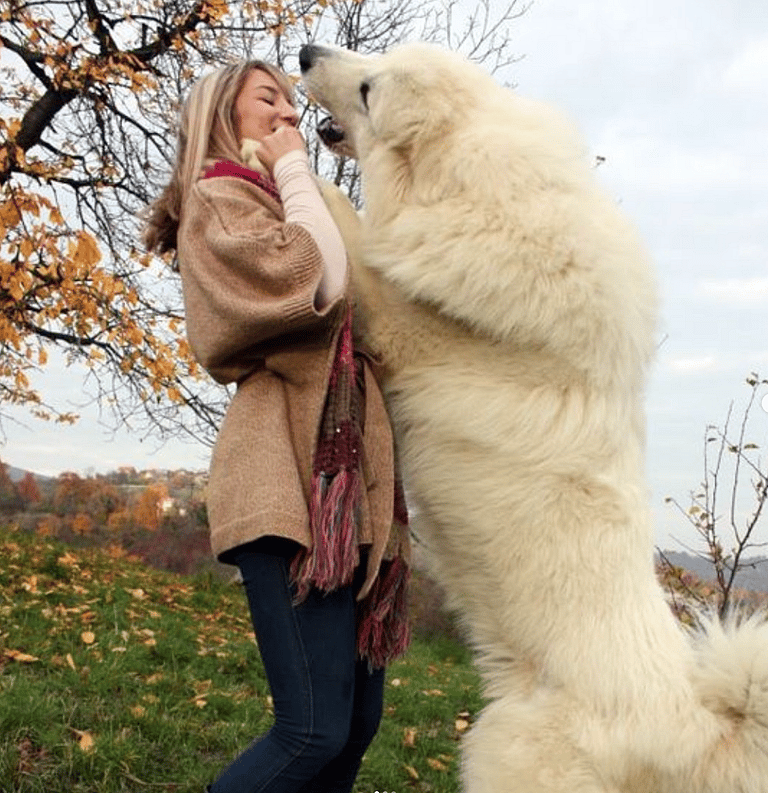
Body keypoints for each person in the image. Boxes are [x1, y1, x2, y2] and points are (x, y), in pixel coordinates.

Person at [142, 59, 411, 793]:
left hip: (347, 499)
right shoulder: (221, 200)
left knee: (354, 727)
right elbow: (317, 282)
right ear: (222, 116)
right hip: (288, 491)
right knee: (312, 728)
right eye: (270, 100)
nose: (289, 114)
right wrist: (295, 168)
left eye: (292, 104)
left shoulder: (284, 204)